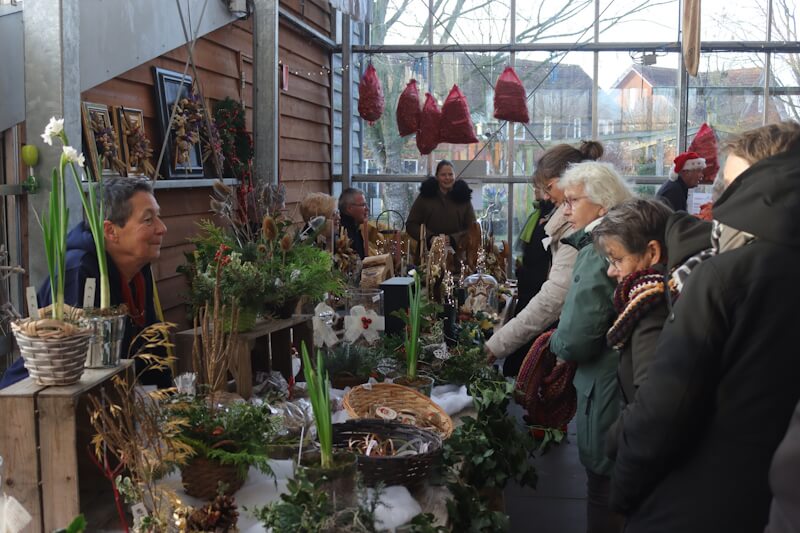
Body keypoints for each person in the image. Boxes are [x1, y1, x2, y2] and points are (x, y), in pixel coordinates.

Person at [609, 120, 800, 533]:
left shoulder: (722, 275)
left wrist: (623, 494)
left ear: (763, 187)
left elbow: (662, 411)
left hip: (697, 504)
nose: (719, 199)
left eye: (729, 186)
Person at [0, 177, 170, 388]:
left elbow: (151, 348)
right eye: (148, 220)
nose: (162, 228)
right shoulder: (79, 272)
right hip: (39, 399)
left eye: (158, 217)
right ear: (110, 231)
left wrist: (172, 404)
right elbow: (77, 370)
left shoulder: (138, 267)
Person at [548, 160, 633, 533]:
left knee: (603, 487)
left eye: (572, 201)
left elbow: (579, 337)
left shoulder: (598, 250)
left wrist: (552, 342)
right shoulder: (619, 239)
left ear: (601, 205)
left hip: (606, 386)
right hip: (620, 381)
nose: (565, 209)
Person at [485, 141, 603, 376]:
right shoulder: (571, 223)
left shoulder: (576, 230)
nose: (548, 197)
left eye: (549, 187)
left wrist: (495, 346)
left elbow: (555, 298)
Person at [590, 198, 673, 459]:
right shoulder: (661, 294)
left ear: (652, 252)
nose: (612, 272)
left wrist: (614, 443)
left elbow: (651, 406)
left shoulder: (650, 307)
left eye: (617, 260)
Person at [405, 160, 476, 250]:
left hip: (458, 254)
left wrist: (453, 239)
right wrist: (430, 238)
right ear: (437, 177)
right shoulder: (425, 196)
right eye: (443, 175)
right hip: (427, 253)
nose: (447, 178)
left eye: (450, 174)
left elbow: (473, 228)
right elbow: (411, 225)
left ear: (455, 176)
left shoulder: (463, 197)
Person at [338, 187, 368, 258]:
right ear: (349, 208)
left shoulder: (354, 227)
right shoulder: (344, 234)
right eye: (363, 205)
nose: (367, 208)